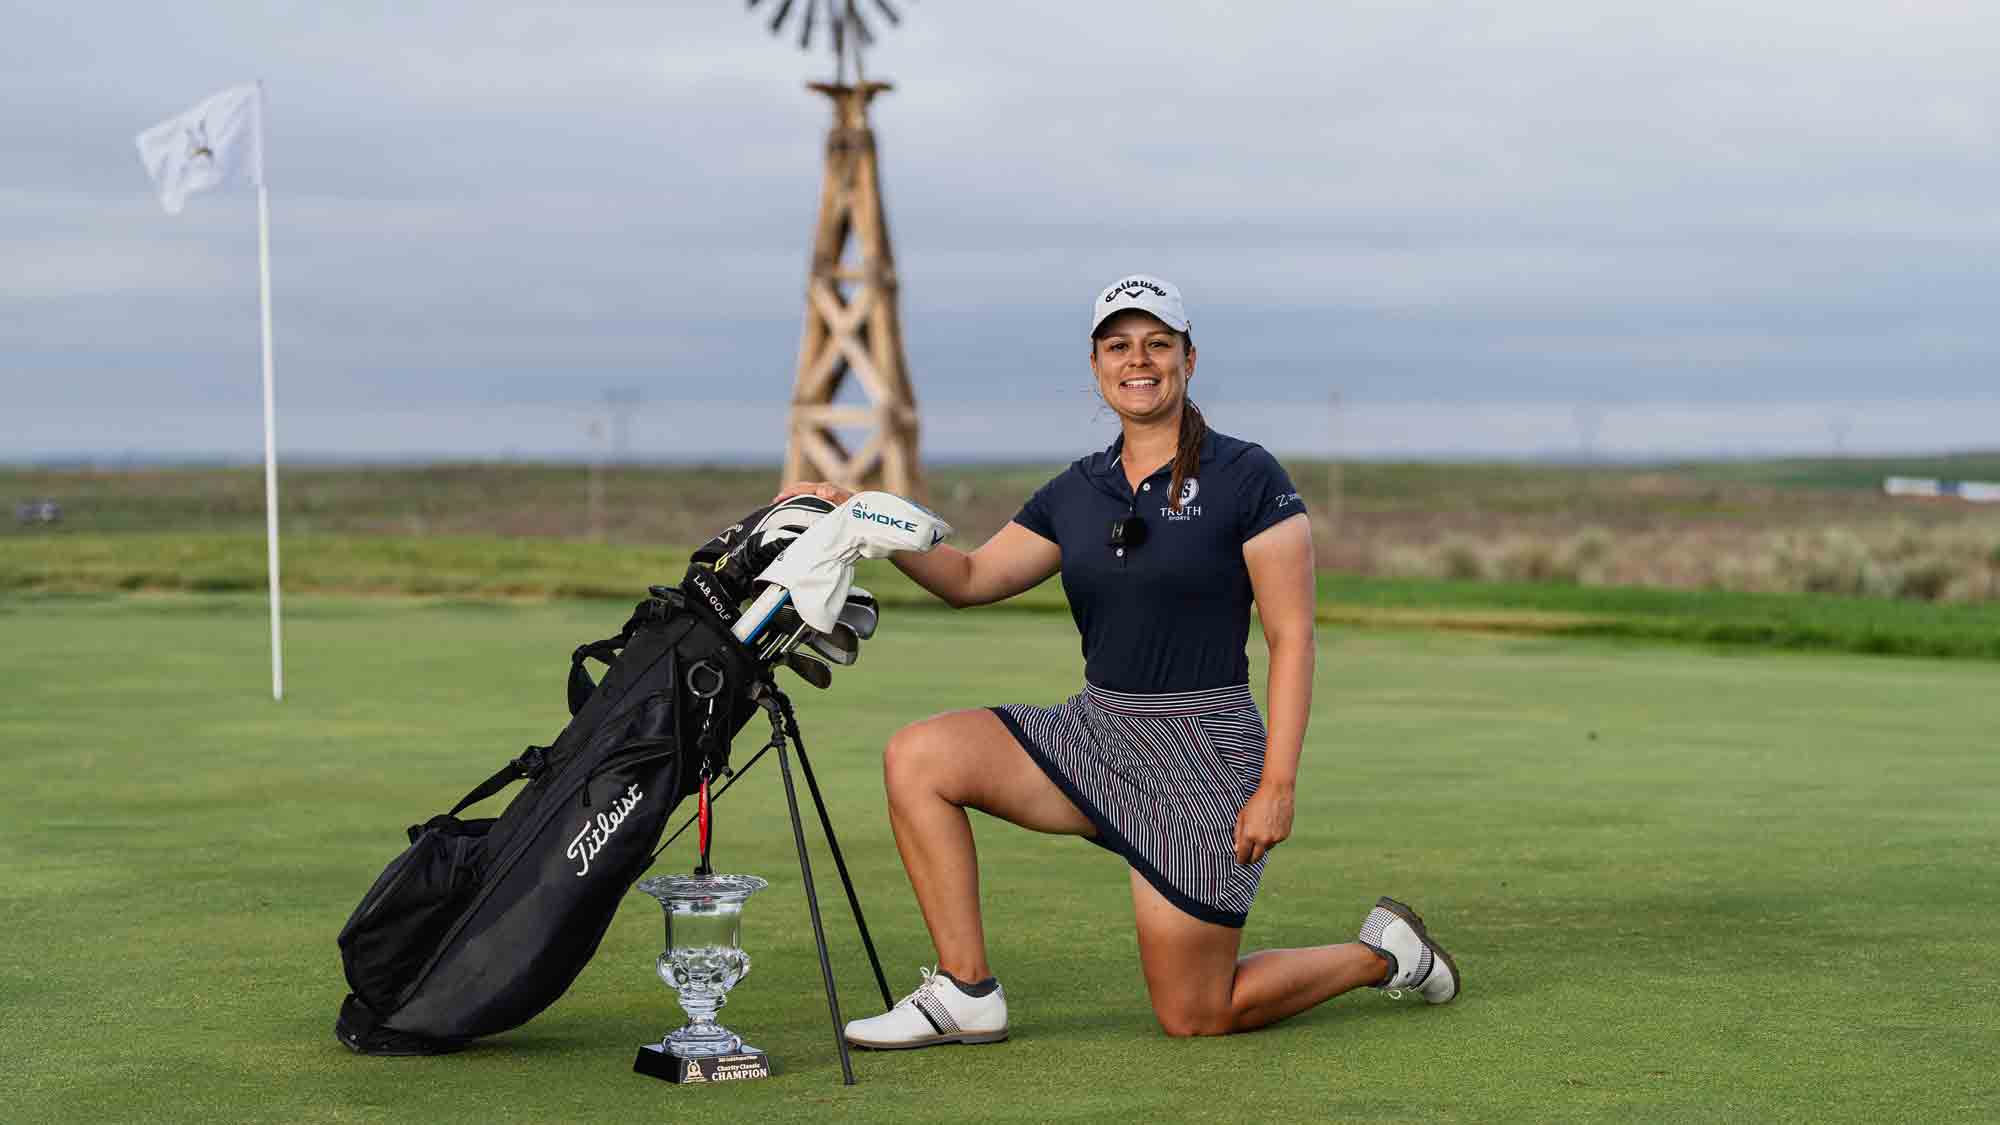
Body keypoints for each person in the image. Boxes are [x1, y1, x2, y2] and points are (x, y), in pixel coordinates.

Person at [775, 274, 1459, 1046]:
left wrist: (1276, 783)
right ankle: (965, 990)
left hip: (1203, 756)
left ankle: (1382, 955)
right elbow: (969, 579)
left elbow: (1292, 636)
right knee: (919, 756)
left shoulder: (1247, 476)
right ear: (1098, 365)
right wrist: (862, 516)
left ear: (1189, 359)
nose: (1139, 360)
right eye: (1119, 345)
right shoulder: (1079, 489)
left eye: (1157, 343)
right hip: (1096, 733)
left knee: (1197, 1013)